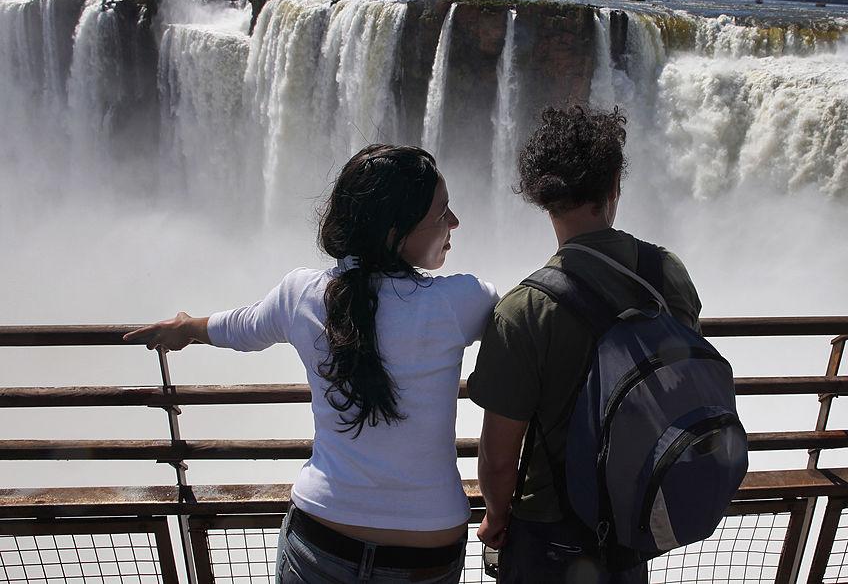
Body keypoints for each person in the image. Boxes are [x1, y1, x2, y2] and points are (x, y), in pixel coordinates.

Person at [125, 144, 498, 584]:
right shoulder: (464, 302)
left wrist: (189, 328)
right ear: (396, 231)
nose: (453, 222)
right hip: (425, 553)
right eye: (442, 213)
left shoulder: (301, 294)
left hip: (323, 537)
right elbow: (531, 325)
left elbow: (243, 327)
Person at [467, 106, 703, 583]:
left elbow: (497, 457)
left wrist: (496, 516)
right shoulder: (665, 273)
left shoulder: (523, 309)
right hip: (634, 519)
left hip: (548, 532)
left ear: (540, 196)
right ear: (615, 184)